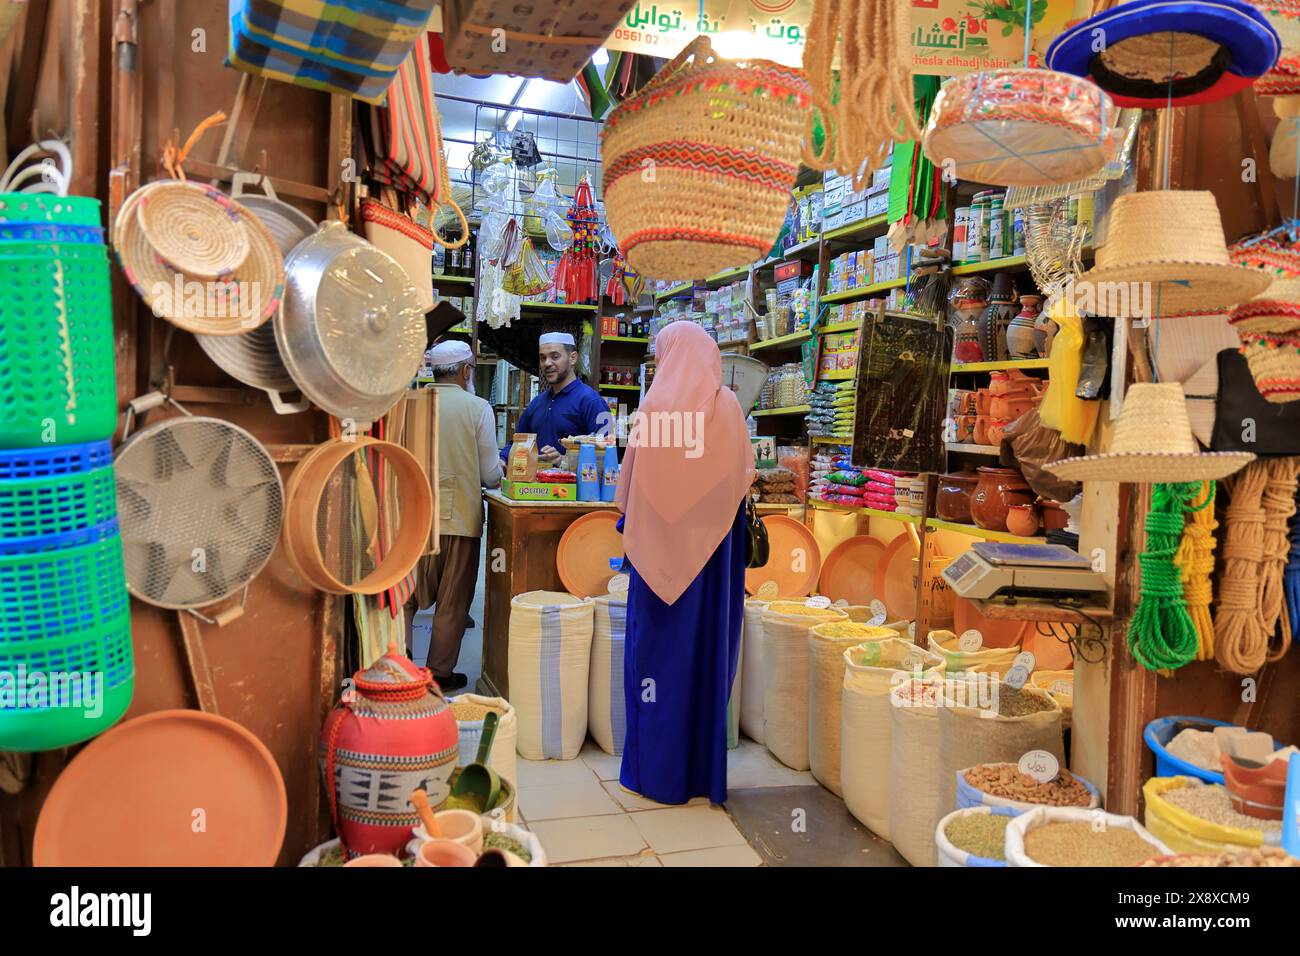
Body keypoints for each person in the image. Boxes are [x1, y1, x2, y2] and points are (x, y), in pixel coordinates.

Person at [615, 321, 756, 805]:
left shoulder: (653, 412)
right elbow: (740, 486)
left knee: (654, 666)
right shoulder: (731, 410)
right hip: (713, 570)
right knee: (706, 660)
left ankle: (654, 773)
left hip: (657, 573)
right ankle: (700, 774)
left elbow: (630, 495)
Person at [405, 339, 502, 692]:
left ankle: (399, 670)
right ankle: (439, 676)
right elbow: (491, 475)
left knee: (406, 598)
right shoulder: (478, 408)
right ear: (465, 371)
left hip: (411, 517)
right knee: (452, 601)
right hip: (460, 518)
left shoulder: (408, 403)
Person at [501, 331, 609, 466]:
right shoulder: (536, 403)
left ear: (573, 358)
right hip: (535, 486)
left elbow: (608, 455)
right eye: (542, 358)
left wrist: (564, 461)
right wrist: (502, 460)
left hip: (574, 487)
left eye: (555, 357)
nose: (547, 363)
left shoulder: (593, 401)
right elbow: (518, 443)